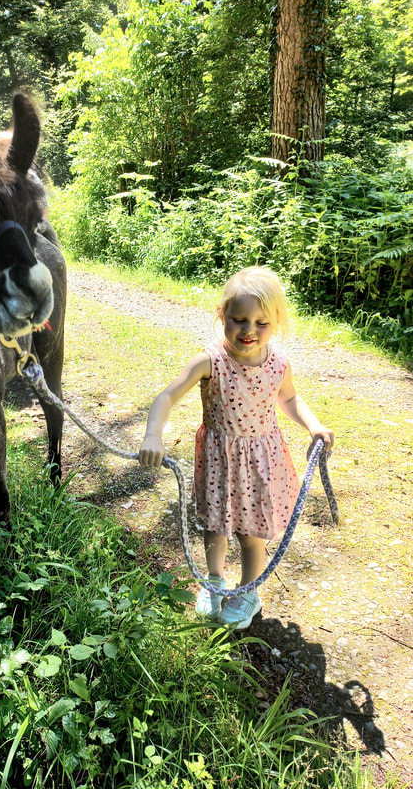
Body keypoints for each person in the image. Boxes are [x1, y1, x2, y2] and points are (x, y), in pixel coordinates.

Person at [138, 266, 334, 630]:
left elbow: (289, 399)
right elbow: (167, 395)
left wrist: (314, 425)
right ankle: (213, 581)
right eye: (239, 319)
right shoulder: (210, 361)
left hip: (261, 461)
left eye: (261, 323)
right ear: (222, 316)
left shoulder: (278, 364)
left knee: (251, 532)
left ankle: (249, 590)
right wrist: (153, 434)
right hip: (219, 460)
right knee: (215, 525)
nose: (249, 330)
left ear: (275, 323)